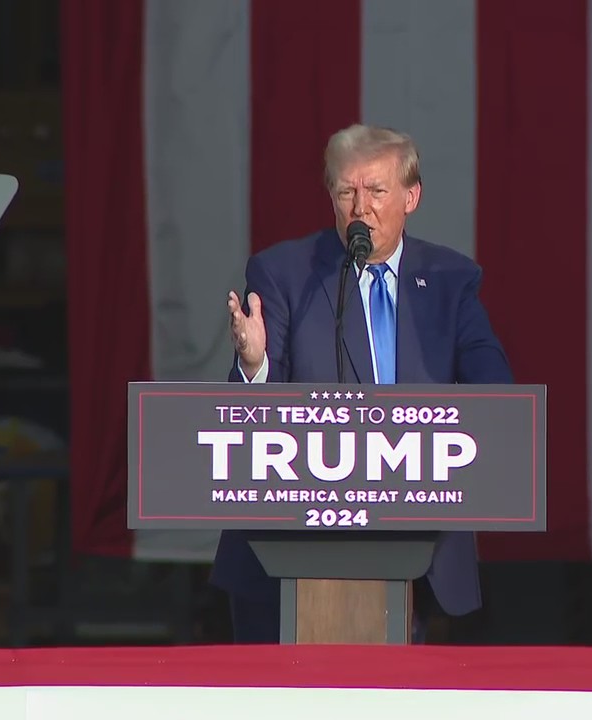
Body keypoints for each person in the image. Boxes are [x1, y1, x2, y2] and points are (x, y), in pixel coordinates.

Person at [211, 124, 514, 643]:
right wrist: (255, 364)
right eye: (346, 191)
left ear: (411, 197)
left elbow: (496, 392)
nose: (360, 208)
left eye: (377, 191)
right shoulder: (285, 274)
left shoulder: (450, 280)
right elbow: (249, 418)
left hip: (417, 552)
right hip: (289, 553)